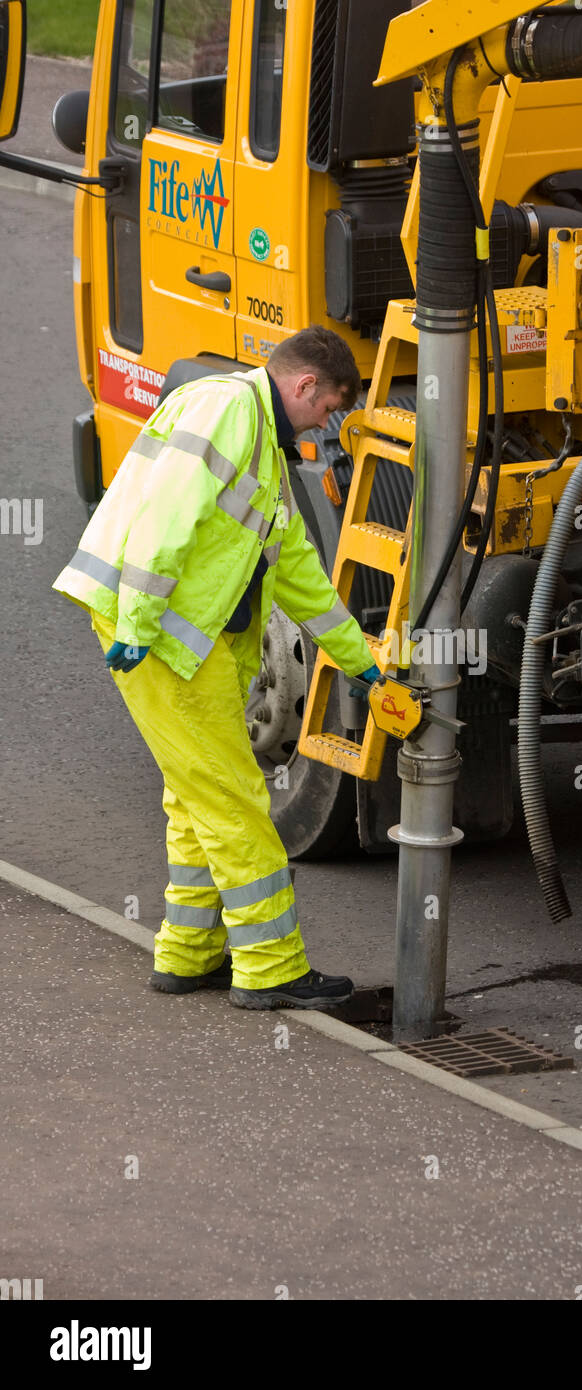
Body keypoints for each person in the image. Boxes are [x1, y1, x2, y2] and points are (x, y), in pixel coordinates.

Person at [52, 327, 379, 1011]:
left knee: (193, 793)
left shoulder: (261, 443)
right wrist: (139, 626)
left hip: (181, 638)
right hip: (154, 635)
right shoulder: (228, 411)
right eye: (328, 409)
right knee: (231, 796)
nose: (328, 425)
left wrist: (362, 664)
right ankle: (270, 966)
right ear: (305, 386)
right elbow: (164, 519)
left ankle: (188, 952)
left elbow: (299, 577)